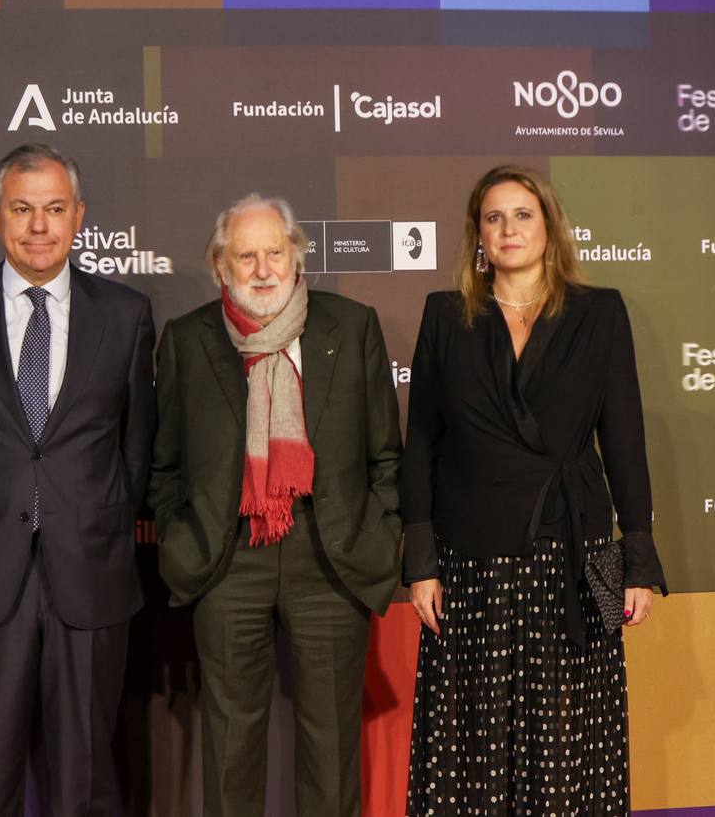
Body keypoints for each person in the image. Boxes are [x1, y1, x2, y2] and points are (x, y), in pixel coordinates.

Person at [402, 164, 668, 815]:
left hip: (570, 552)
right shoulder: (445, 316)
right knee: (474, 736)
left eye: (523, 214)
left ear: (549, 228)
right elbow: (420, 449)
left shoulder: (600, 313)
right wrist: (420, 562)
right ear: (477, 237)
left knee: (568, 733)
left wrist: (637, 560)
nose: (508, 228)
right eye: (494, 217)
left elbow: (625, 443)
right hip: (471, 557)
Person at [0, 143, 156, 816]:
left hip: (92, 576)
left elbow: (136, 448)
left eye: (53, 209)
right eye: (23, 209)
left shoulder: (126, 314)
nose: (39, 226)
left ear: (78, 216)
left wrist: (94, 520)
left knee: (87, 781)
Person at [147, 193, 402, 817]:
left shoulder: (353, 325)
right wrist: (186, 541)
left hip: (330, 555)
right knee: (230, 745)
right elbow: (165, 465)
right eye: (246, 256)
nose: (263, 269)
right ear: (220, 265)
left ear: (297, 254)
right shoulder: (187, 340)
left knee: (331, 745)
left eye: (275, 252)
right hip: (228, 560)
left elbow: (385, 457)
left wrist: (382, 531)